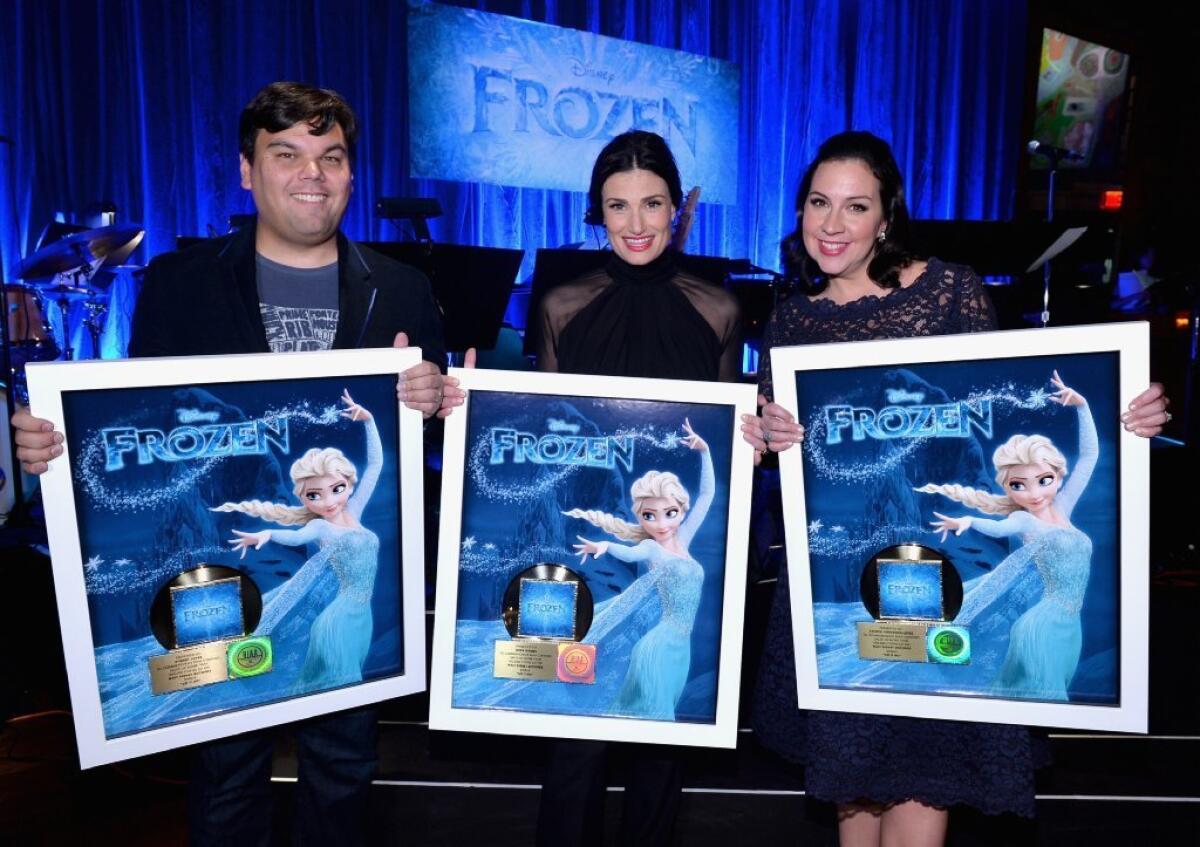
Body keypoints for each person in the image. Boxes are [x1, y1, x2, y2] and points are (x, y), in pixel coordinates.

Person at [12, 81, 446, 847]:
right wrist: (56, 445)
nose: (312, 174)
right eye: (287, 154)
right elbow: (135, 428)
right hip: (221, 575)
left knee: (344, 765)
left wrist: (438, 397)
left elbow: (425, 438)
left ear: (351, 174)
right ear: (247, 170)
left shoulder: (405, 286)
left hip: (348, 583)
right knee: (225, 771)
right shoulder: (180, 285)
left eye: (330, 156)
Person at [741, 130, 1168, 846]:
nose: (833, 224)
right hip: (839, 592)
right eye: (819, 203)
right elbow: (774, 452)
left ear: (887, 216)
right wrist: (761, 438)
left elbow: (1014, 412)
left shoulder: (948, 292)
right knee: (854, 803)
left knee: (921, 793)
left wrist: (1126, 410)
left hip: (939, 582)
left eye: (855, 206)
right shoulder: (792, 320)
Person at [442, 129, 740, 847]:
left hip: (671, 551)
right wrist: (474, 411)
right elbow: (547, 433)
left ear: (678, 208)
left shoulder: (719, 310)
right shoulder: (562, 304)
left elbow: (722, 449)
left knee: (661, 741)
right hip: (588, 548)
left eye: (652, 203)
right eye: (617, 205)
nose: (636, 224)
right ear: (596, 212)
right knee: (573, 744)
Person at [919, 371, 1096, 701]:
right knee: (1049, 700)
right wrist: (968, 521)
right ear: (1008, 488)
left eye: (1043, 480)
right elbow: (1000, 528)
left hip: (1071, 628)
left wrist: (1082, 407)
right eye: (1018, 485)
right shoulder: (1023, 521)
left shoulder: (1065, 505)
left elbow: (1089, 457)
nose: (1033, 493)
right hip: (1040, 628)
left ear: (1059, 475)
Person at [216, 390, 383, 693]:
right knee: (343, 685)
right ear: (305, 499)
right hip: (338, 620)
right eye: (314, 495)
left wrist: (369, 421)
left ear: (348, 484)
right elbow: (295, 536)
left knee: (345, 685)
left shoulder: (355, 510)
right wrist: (265, 534)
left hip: (363, 616)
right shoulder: (320, 527)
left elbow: (375, 466)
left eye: (336, 488)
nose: (328, 501)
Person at [568, 419, 713, 720]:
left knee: (658, 716)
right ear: (641, 518)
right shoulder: (651, 549)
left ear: (681, 511)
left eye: (670, 513)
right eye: (650, 515)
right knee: (656, 719)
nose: (661, 524)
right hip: (657, 648)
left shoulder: (683, 540)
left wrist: (705, 452)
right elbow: (630, 552)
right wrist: (604, 547)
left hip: (680, 649)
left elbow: (707, 496)